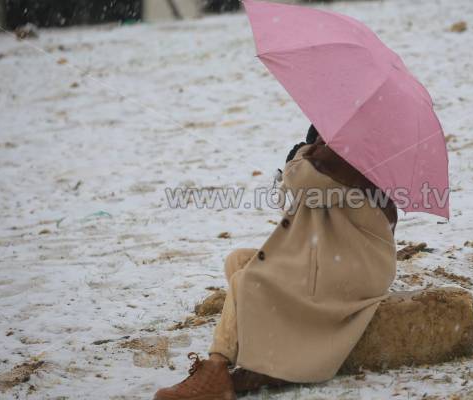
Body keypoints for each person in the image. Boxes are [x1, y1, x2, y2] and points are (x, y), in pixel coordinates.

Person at [154, 125, 398, 400]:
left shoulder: (346, 155)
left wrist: (302, 154)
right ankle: (264, 362)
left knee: (248, 281)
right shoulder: (335, 158)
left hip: (352, 267)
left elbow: (300, 182)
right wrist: (305, 158)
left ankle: (216, 368)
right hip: (332, 256)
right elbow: (293, 200)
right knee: (239, 262)